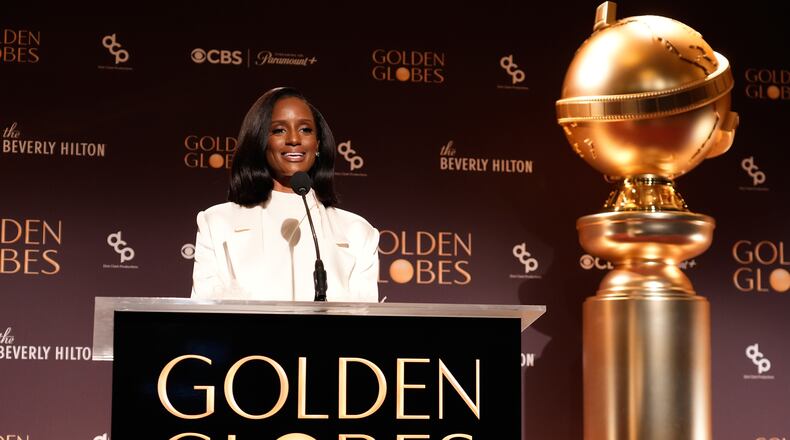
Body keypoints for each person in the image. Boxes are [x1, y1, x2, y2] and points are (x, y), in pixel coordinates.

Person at [191, 87, 379, 302]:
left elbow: (364, 318)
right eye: (279, 130)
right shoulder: (217, 223)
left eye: (305, 129)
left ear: (317, 144)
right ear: (260, 141)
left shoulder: (357, 232)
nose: (294, 139)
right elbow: (204, 314)